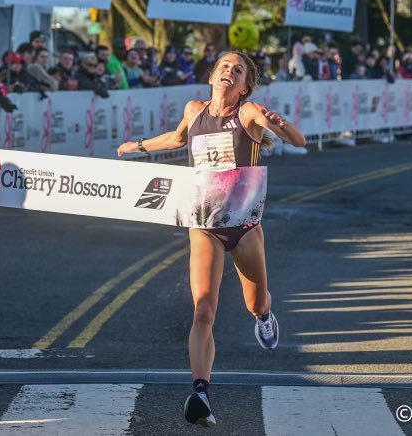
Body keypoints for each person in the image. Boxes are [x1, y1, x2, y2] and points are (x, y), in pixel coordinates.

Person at [117, 51, 306, 427]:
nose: (229, 72)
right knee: (204, 308)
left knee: (256, 301)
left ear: (244, 86)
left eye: (237, 71)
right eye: (224, 67)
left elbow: (298, 140)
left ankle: (264, 316)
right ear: (212, 76)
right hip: (204, 223)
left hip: (244, 226)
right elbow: (175, 138)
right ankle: (200, 391)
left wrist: (281, 126)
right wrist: (136, 147)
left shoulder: (249, 112)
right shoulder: (194, 110)